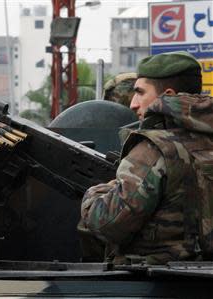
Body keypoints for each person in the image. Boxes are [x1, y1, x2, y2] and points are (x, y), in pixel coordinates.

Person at [78, 51, 212, 265]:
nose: (133, 103)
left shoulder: (154, 149)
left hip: (156, 282)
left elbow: (107, 224)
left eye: (140, 92)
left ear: (166, 95)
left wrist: (95, 193)